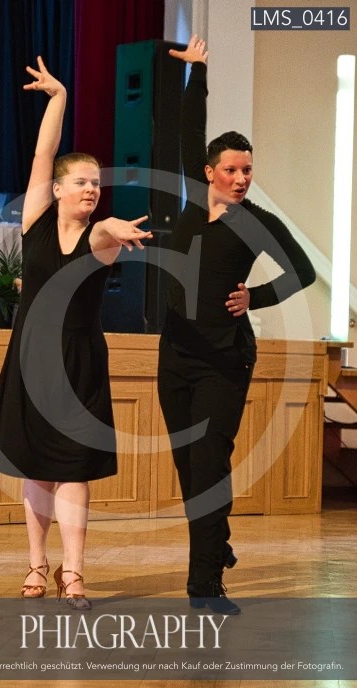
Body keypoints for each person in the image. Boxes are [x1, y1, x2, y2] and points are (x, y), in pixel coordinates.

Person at [0, 56, 152, 609]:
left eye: (96, 184)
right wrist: (58, 98)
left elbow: (104, 232)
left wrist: (114, 226)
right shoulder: (34, 220)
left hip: (79, 362)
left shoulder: (99, 238)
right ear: (56, 189)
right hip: (31, 357)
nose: (91, 190)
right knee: (36, 468)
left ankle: (73, 572)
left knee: (74, 470)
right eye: (80, 182)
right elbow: (43, 155)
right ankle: (37, 564)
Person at [157, 37, 316, 615]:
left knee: (208, 465)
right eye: (232, 169)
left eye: (248, 169)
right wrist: (197, 72)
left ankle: (204, 585)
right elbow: (187, 131)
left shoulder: (257, 221)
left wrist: (256, 296)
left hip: (225, 358)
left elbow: (301, 271)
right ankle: (216, 542)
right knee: (187, 465)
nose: (242, 177)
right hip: (175, 354)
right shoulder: (193, 201)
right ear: (210, 172)